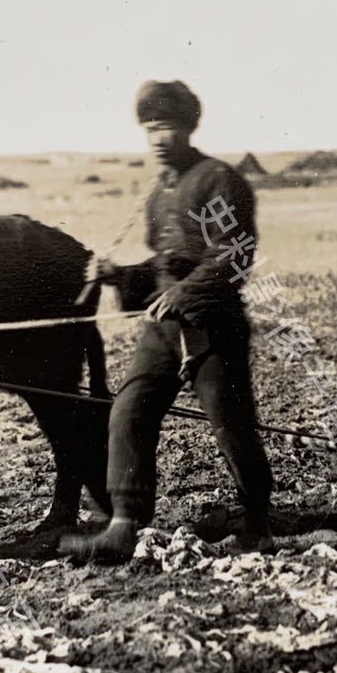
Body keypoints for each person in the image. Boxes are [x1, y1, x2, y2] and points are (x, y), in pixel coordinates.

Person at [63, 80, 273, 563]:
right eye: (150, 127)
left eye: (168, 126)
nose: (158, 137)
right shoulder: (159, 195)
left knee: (231, 425)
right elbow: (163, 264)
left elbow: (235, 253)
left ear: (189, 127)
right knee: (129, 410)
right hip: (165, 327)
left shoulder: (216, 180)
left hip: (212, 324)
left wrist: (185, 292)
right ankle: (123, 525)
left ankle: (257, 521)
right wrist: (121, 275)